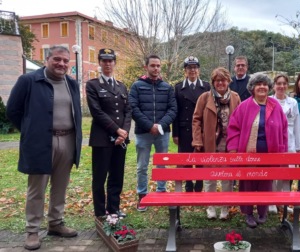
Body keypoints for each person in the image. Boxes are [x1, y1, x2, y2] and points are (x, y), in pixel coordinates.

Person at [6, 45, 82, 250]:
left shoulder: (71, 84)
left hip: (67, 140)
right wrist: (31, 130)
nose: (62, 64)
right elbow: (13, 110)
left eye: (66, 61)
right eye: (57, 59)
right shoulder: (29, 81)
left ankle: (56, 223)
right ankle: (32, 230)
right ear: (46, 59)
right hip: (40, 142)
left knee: (60, 186)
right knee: (37, 189)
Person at [226, 73, 288, 228]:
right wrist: (233, 148)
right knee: (247, 183)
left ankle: (262, 211)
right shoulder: (244, 106)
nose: (262, 87)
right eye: (258, 84)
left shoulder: (275, 106)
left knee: (265, 183)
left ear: (268, 88)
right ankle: (248, 213)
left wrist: (282, 150)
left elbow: (284, 130)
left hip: (269, 154)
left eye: (265, 84)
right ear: (252, 88)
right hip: (248, 154)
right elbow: (233, 128)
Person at [86, 48, 132, 219]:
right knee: (99, 178)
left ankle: (114, 208)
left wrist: (124, 132)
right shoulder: (92, 85)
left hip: (121, 140)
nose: (107, 64)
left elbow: (128, 110)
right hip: (102, 139)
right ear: (99, 62)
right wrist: (117, 129)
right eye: (104, 60)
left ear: (114, 63)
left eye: (110, 60)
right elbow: (96, 112)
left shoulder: (121, 86)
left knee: (116, 175)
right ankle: (100, 212)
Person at [129, 55, 177, 212]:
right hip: (143, 132)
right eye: (153, 65)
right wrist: (149, 126)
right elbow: (133, 108)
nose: (156, 68)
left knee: (161, 164)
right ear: (146, 67)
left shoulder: (167, 87)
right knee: (142, 166)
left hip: (163, 133)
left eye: (158, 66)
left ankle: (161, 191)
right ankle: (142, 195)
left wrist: (161, 125)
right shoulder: (137, 86)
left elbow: (172, 109)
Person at [192, 67, 240, 220]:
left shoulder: (235, 97)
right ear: (213, 82)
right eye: (217, 80)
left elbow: (240, 121)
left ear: (228, 81)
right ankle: (210, 206)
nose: (220, 83)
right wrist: (197, 140)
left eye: (223, 80)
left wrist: (238, 144)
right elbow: (196, 120)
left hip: (229, 145)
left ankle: (225, 208)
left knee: (227, 178)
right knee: (210, 177)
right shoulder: (205, 97)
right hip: (210, 144)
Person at [173, 56, 210, 192]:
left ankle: (199, 183)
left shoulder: (206, 86)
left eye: (195, 67)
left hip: (201, 129)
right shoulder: (178, 88)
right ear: (185, 70)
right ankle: (188, 183)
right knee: (187, 158)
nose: (192, 70)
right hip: (184, 129)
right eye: (189, 68)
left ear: (198, 70)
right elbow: (175, 113)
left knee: (200, 157)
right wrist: (175, 133)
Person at [268, 74, 300, 214]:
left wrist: (298, 147)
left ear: (287, 85)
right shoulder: (269, 100)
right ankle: (271, 202)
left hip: (290, 143)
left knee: (286, 175)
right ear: (274, 85)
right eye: (278, 83)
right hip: (274, 142)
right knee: (273, 173)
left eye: (284, 83)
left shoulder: (293, 103)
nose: (281, 86)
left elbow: (297, 125)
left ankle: (284, 202)